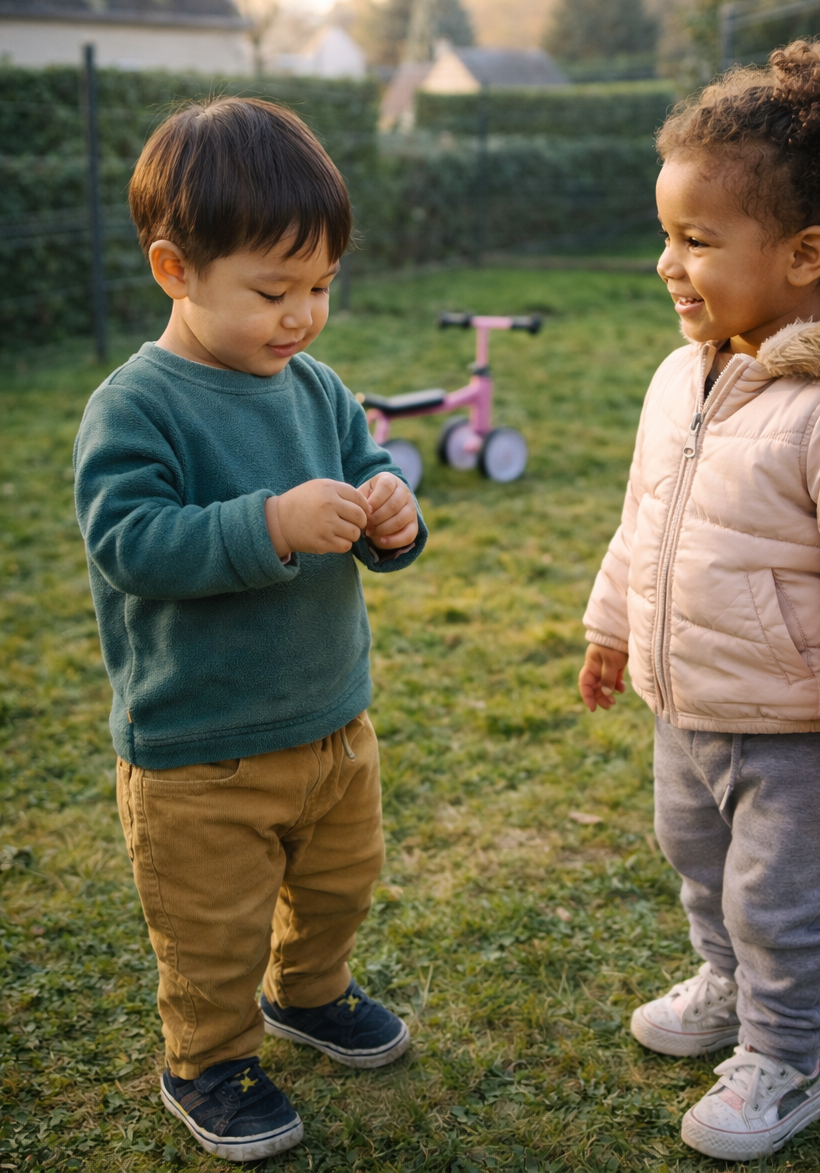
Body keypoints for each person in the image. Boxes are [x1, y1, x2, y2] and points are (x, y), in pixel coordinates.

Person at [579, 40, 820, 1161]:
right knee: (697, 863)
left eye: (697, 241)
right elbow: (646, 514)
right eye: (667, 234)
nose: (668, 263)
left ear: (805, 254)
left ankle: (785, 1057)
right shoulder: (684, 373)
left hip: (800, 733)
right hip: (691, 703)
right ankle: (724, 986)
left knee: (781, 905)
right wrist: (612, 626)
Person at [74, 98, 427, 1162]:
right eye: (274, 292)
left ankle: (308, 993)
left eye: (321, 286)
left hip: (332, 723)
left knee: (338, 884)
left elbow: (366, 470)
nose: (302, 316)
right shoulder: (138, 406)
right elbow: (129, 541)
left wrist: (391, 514)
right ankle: (208, 1060)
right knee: (213, 927)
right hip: (202, 750)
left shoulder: (316, 387)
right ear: (175, 270)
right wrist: (267, 524)